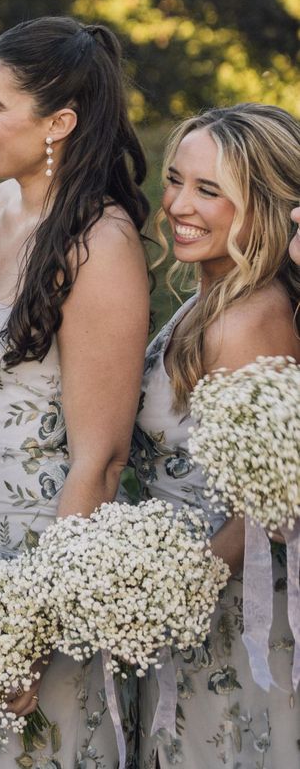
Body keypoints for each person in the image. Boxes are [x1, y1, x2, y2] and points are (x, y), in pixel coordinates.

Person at [0, 17, 149, 765]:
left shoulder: (100, 243)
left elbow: (102, 459)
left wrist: (35, 630)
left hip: (42, 560)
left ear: (58, 123)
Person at [130, 105, 300, 767]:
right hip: (189, 602)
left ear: (264, 208)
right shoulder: (211, 302)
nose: (178, 205)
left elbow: (273, 503)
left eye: (209, 190)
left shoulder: (250, 321)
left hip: (230, 613)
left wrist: (175, 596)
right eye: (175, 180)